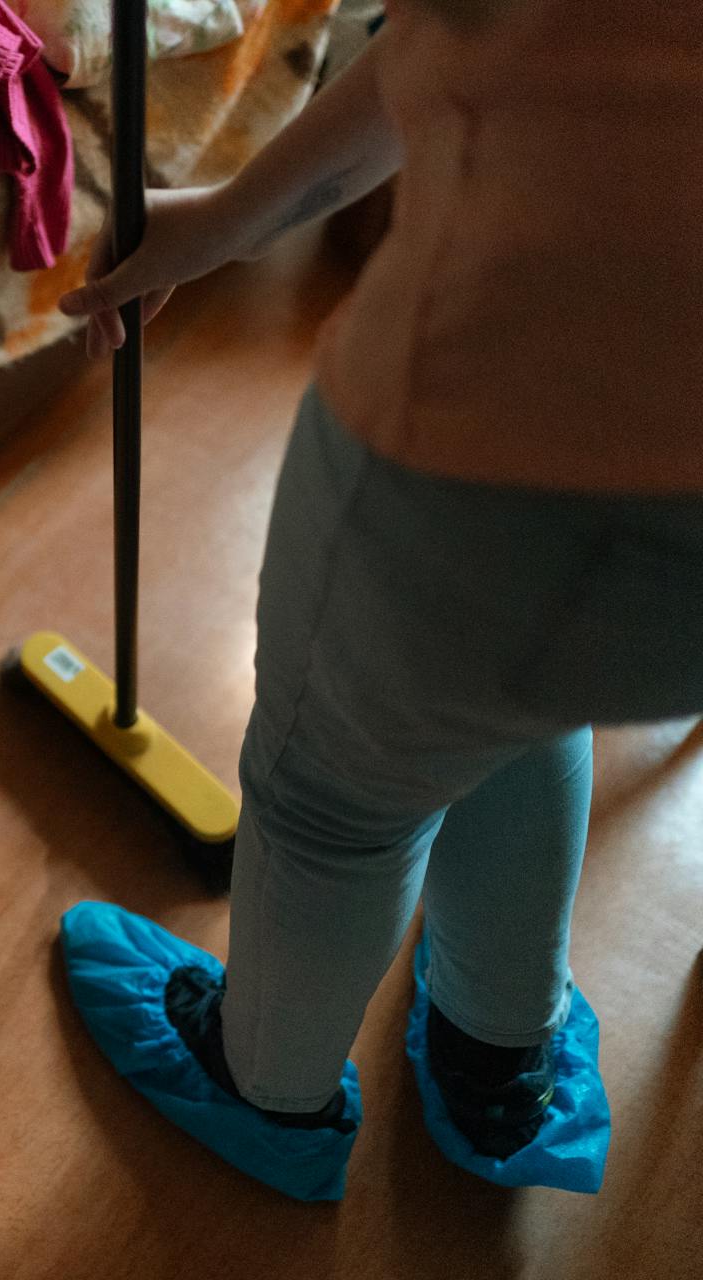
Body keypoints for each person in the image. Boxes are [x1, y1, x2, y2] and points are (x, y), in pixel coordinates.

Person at [54, 0, 703, 1199]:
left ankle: (266, 1084)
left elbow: (471, 39)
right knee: (534, 701)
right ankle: (498, 1064)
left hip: (467, 465)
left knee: (334, 801)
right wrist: (238, 222)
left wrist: (240, 218)